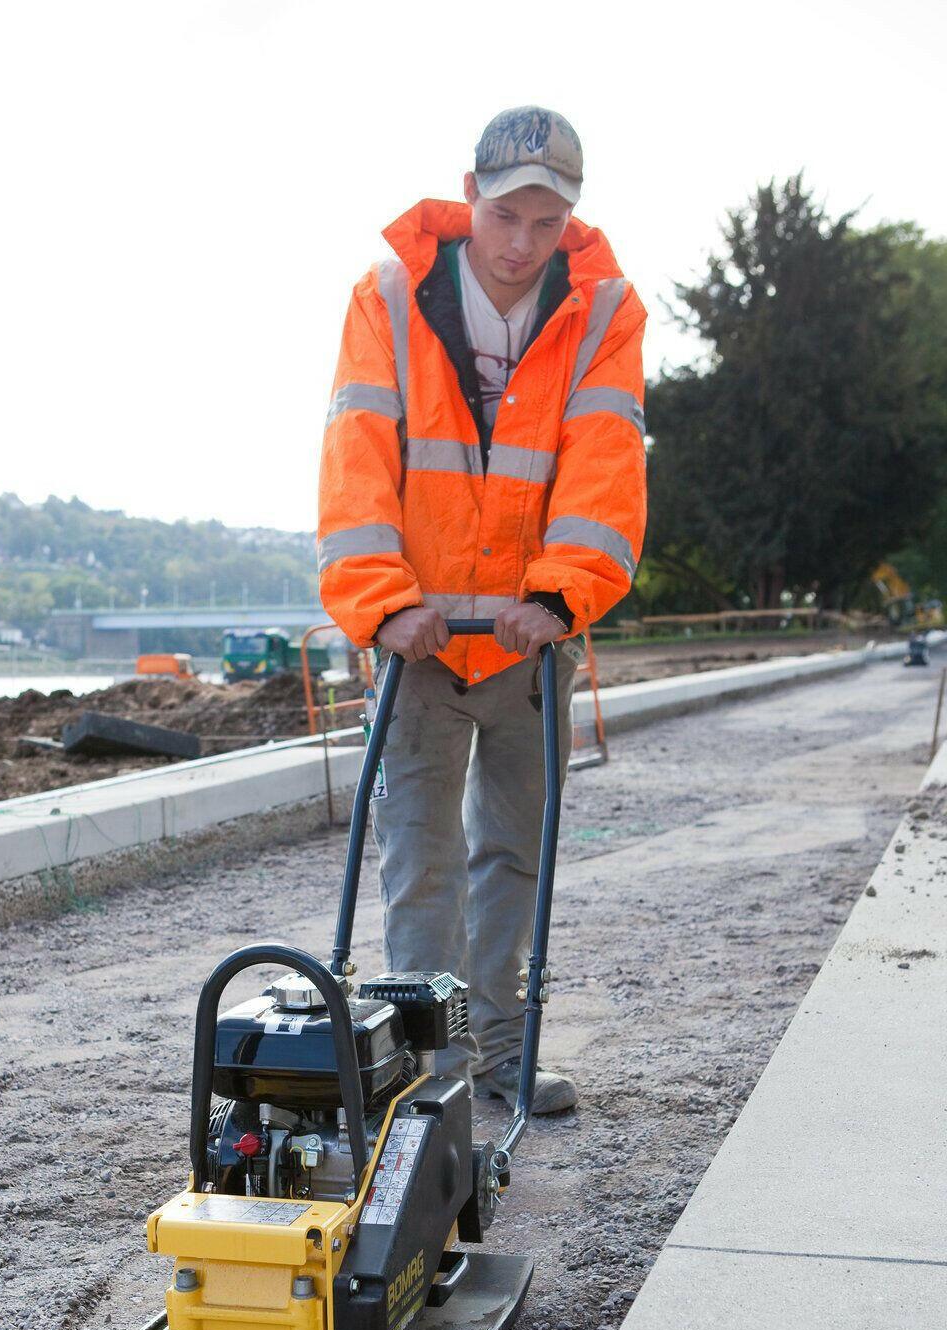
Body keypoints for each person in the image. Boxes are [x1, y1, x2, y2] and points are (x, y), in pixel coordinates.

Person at [317, 106, 647, 1112]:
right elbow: (357, 458)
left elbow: (602, 466)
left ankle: (501, 1055)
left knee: (509, 858)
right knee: (420, 862)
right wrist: (382, 607)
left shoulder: (600, 310)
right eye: (506, 215)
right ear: (469, 195)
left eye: (545, 223)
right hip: (421, 647)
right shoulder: (389, 294)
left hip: (522, 644)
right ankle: (430, 1072)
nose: (520, 244)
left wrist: (557, 597)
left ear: (568, 222)